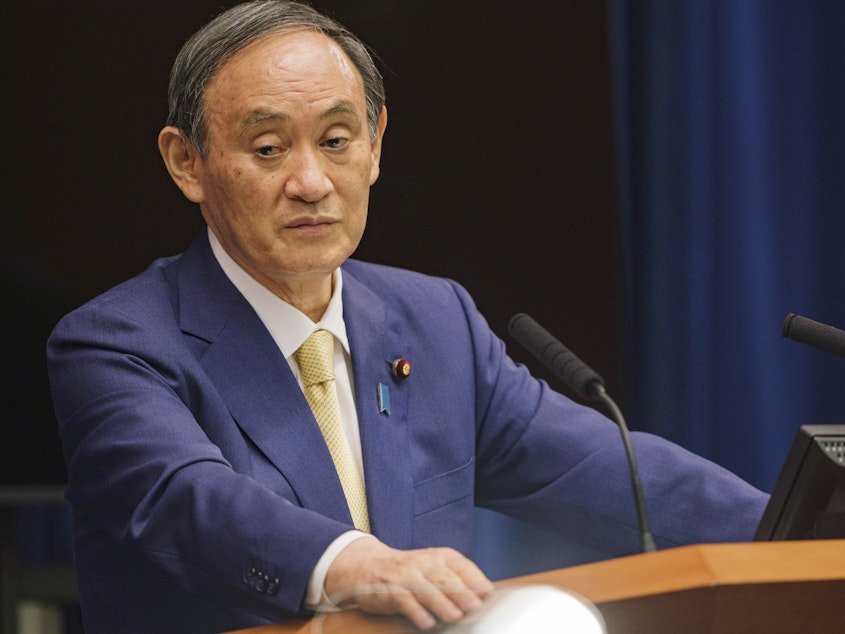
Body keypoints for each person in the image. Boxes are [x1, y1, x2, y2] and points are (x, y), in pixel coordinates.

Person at [46, 1, 769, 632]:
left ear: (375, 146)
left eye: (335, 141)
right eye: (268, 149)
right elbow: (190, 501)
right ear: (187, 163)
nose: (310, 182)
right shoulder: (117, 344)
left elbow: (610, 474)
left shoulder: (432, 320)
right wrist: (357, 565)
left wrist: (798, 534)